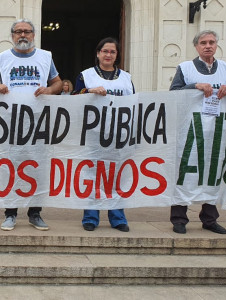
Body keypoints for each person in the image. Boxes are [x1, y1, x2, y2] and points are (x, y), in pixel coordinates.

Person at [0, 18, 62, 231]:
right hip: (11, 123)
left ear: (34, 35)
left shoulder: (45, 57)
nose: (23, 35)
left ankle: (35, 213)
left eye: (27, 31)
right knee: (11, 168)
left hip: (38, 123)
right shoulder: (3, 58)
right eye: (18, 31)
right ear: (12, 36)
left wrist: (49, 90)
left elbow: (58, 83)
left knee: (38, 167)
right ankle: (10, 213)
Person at [168, 30, 226, 235]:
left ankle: (209, 218)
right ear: (197, 47)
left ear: (217, 45)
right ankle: (179, 218)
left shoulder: (224, 68)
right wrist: (194, 85)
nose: (208, 46)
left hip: (216, 129)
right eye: (203, 43)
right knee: (185, 171)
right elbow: (174, 92)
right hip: (191, 129)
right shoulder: (186, 68)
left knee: (212, 171)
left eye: (212, 42)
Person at [74, 37, 133, 232]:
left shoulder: (126, 77)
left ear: (117, 55)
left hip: (118, 133)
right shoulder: (86, 75)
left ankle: (118, 217)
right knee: (92, 173)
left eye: (112, 52)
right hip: (94, 132)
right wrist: (88, 91)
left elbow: (133, 103)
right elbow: (72, 98)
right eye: (105, 51)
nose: (108, 55)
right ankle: (91, 216)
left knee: (117, 176)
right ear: (98, 53)